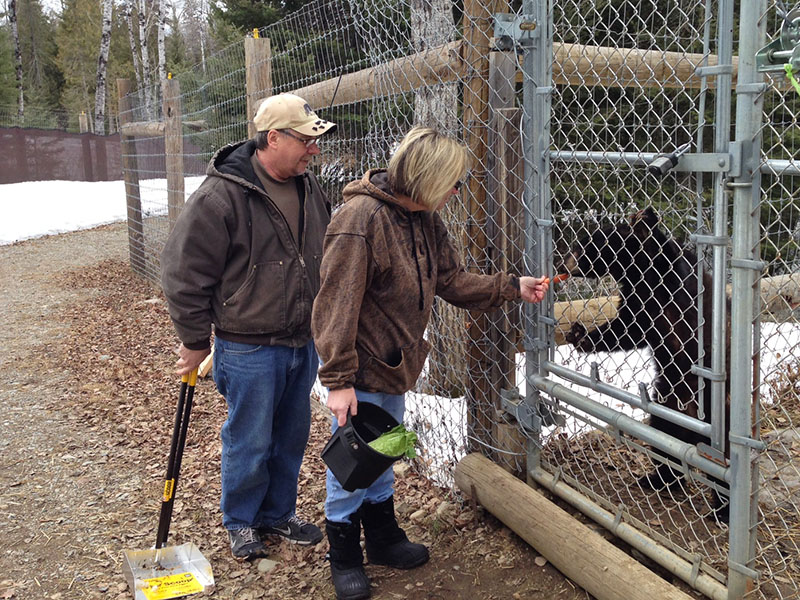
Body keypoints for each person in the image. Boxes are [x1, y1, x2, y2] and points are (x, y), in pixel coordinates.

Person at [311, 126, 549, 600]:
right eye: (453, 183)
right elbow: (334, 305)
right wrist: (338, 380)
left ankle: (381, 537)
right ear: (427, 178)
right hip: (359, 369)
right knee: (352, 462)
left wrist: (511, 287)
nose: (457, 192)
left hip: (395, 365)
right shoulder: (360, 220)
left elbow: (451, 280)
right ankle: (343, 554)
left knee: (388, 450)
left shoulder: (424, 219)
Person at [160, 93, 336, 560]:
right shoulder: (222, 195)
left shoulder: (309, 187)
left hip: (303, 341)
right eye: (304, 141)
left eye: (314, 142)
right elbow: (183, 273)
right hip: (248, 347)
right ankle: (241, 521)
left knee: (291, 436)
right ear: (272, 138)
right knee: (250, 439)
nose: (313, 151)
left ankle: (278, 515)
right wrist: (196, 342)